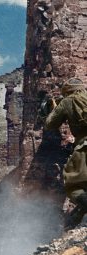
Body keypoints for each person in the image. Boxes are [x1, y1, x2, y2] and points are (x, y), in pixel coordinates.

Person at [45, 78, 87, 229]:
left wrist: (54, 108)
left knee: (73, 185)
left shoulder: (68, 101)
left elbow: (50, 124)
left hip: (84, 146)